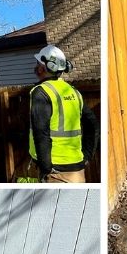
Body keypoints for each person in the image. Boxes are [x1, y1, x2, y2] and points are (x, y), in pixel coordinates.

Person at [28, 44, 98, 184]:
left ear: (43, 67)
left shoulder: (41, 92)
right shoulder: (73, 92)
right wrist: (88, 156)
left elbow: (41, 133)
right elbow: (93, 125)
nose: (36, 67)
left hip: (55, 173)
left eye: (38, 63)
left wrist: (46, 168)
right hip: (76, 170)